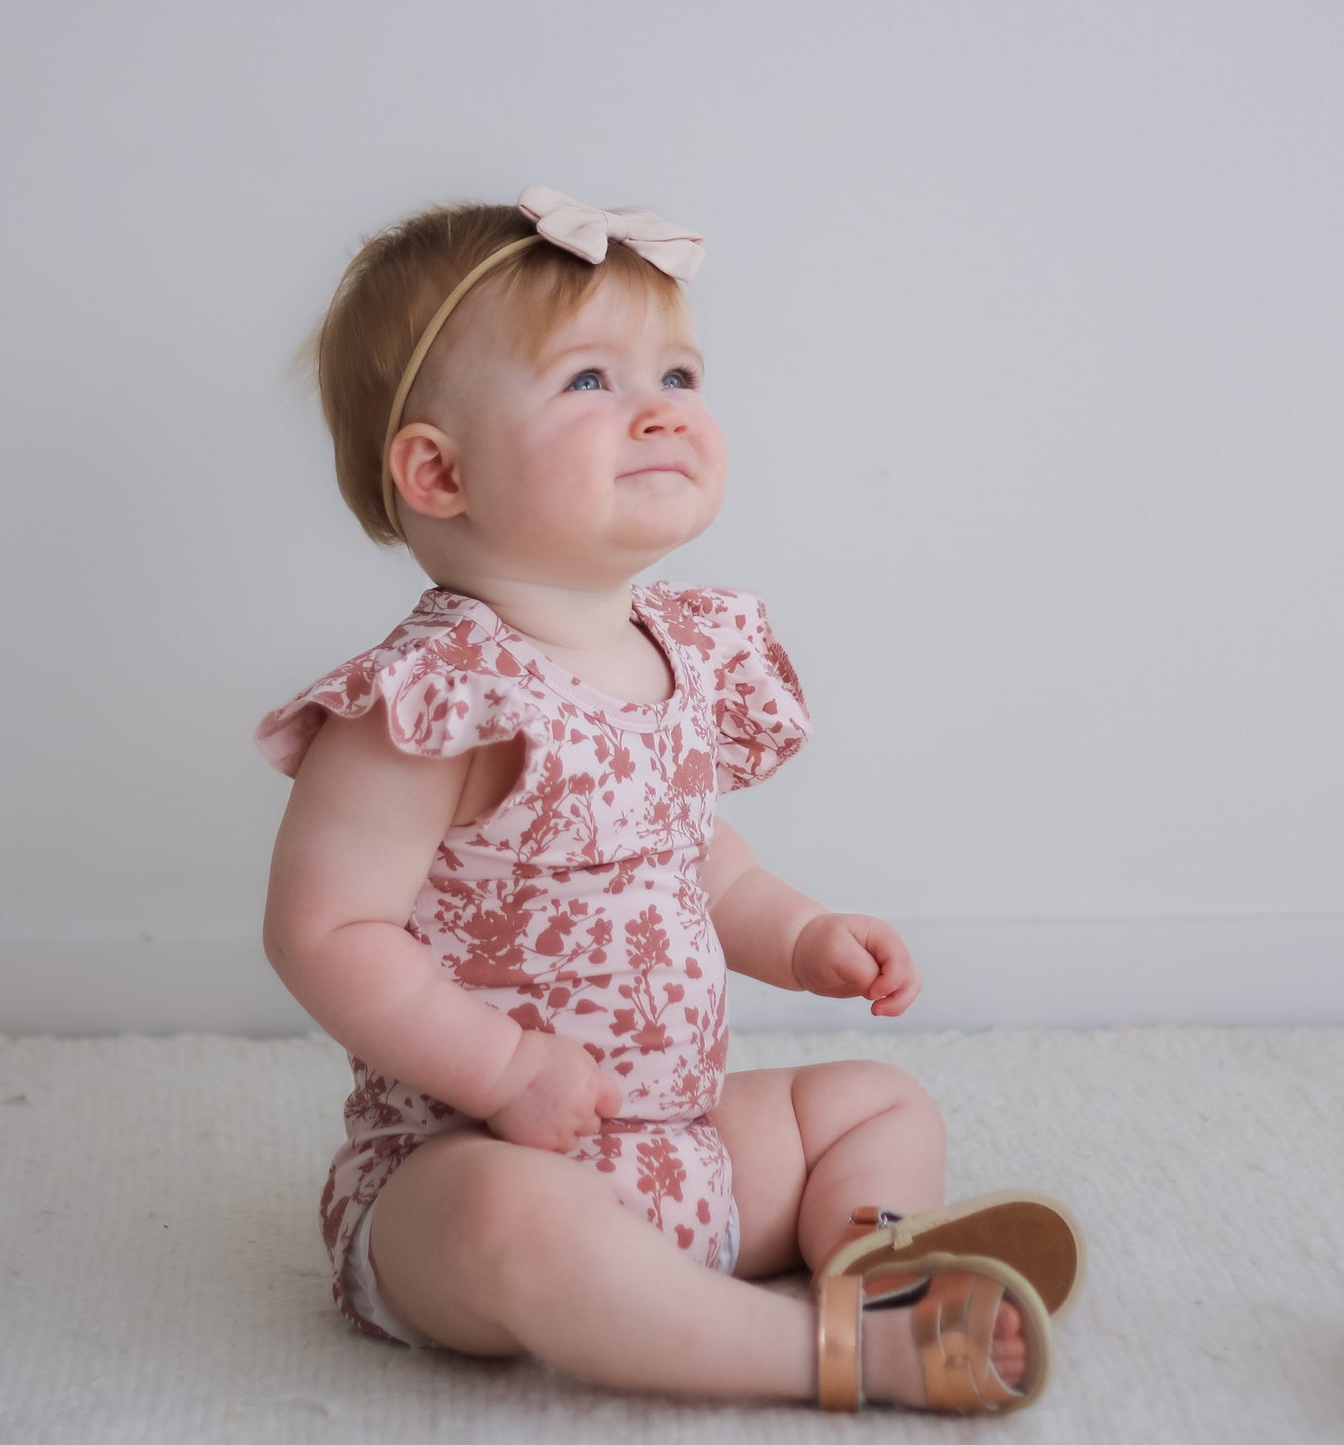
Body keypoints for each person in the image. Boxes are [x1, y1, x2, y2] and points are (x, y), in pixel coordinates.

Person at [256, 187, 1081, 1413]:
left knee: (868, 1099)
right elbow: (322, 929)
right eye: (589, 381)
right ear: (438, 469)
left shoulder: (679, 649)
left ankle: (871, 1249)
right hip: (470, 1159)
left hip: (679, 1141)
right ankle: (820, 1353)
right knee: (510, 1218)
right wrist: (497, 1069)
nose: (660, 410)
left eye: (680, 375)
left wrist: (800, 934)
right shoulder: (435, 697)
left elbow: (703, 859)